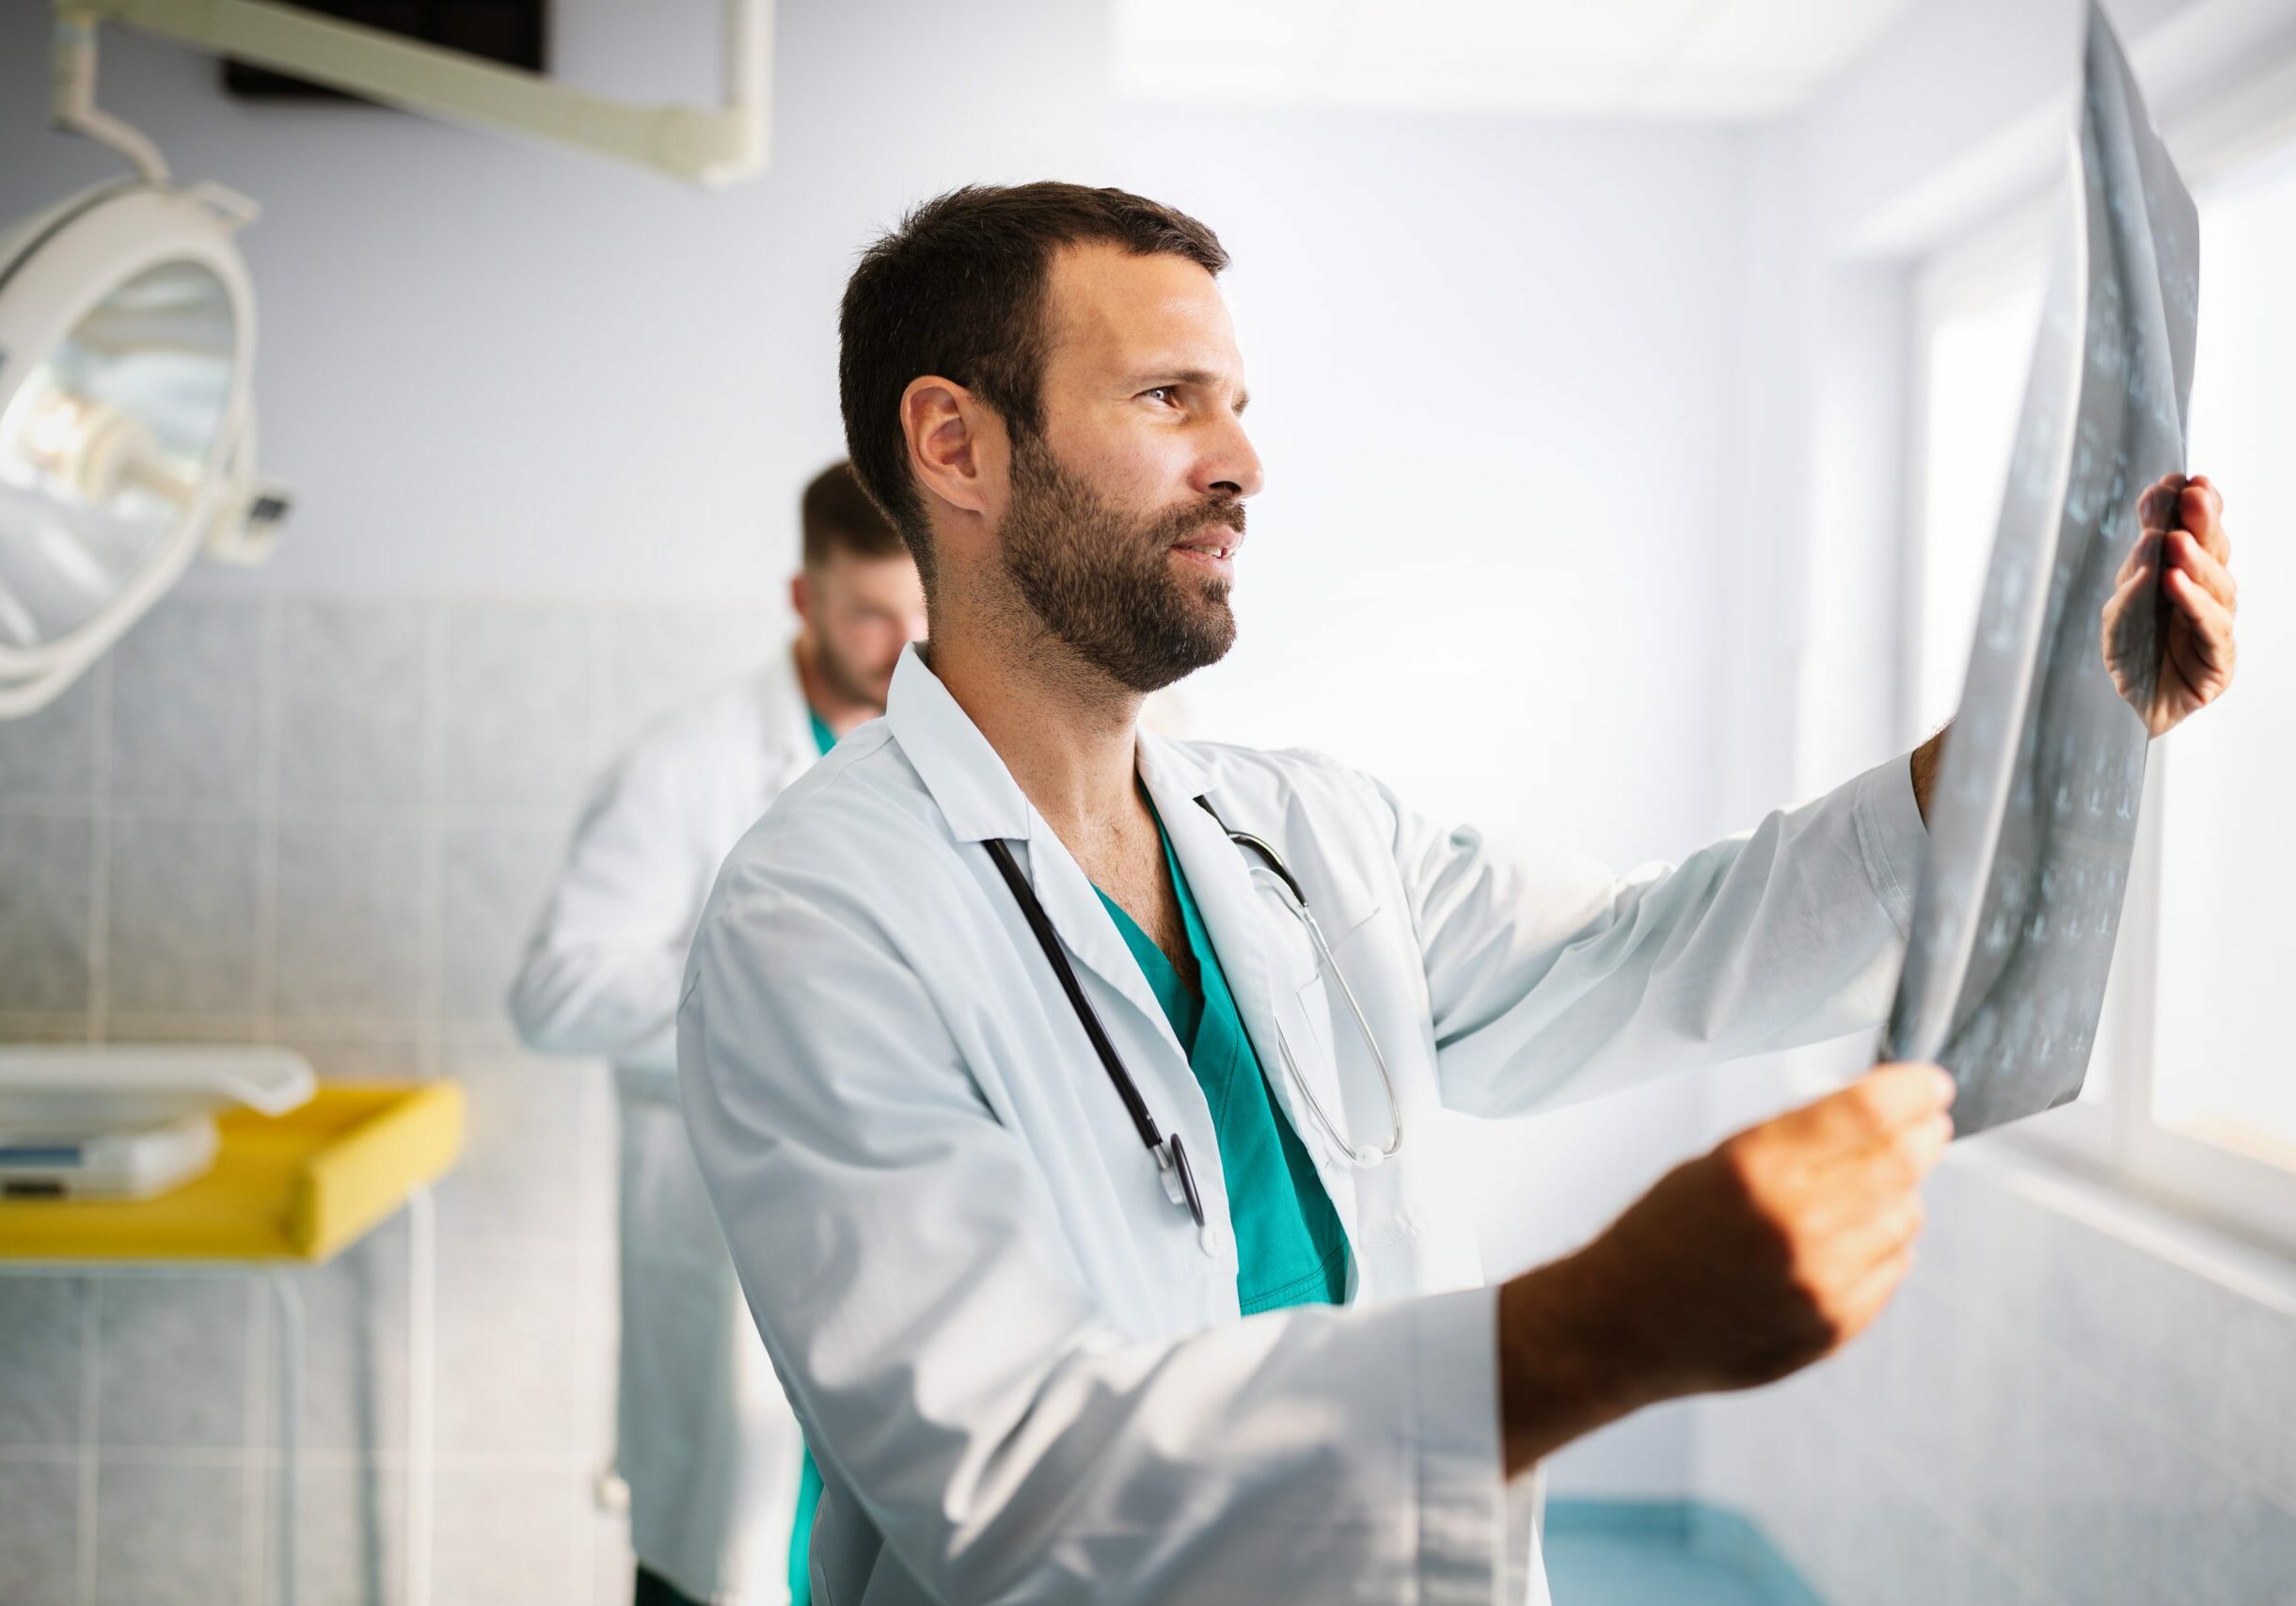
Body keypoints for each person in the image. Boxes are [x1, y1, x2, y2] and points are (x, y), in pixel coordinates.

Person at [677, 184, 2241, 1605]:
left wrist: (2054, 734)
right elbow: (1009, 1485)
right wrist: (1591, 1329)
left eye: (1236, 405)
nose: (1241, 465)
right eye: (1167, 400)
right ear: (957, 445)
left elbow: (1657, 947)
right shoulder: (817, 918)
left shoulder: (1297, 828)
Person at [511, 461, 927, 1606]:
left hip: (909, 1275)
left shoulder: (955, 762)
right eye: (867, 615)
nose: (901, 646)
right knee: (729, 1565)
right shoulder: (685, 766)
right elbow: (554, 993)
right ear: (803, 600)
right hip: (731, 1251)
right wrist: (760, 980)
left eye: (919, 613)